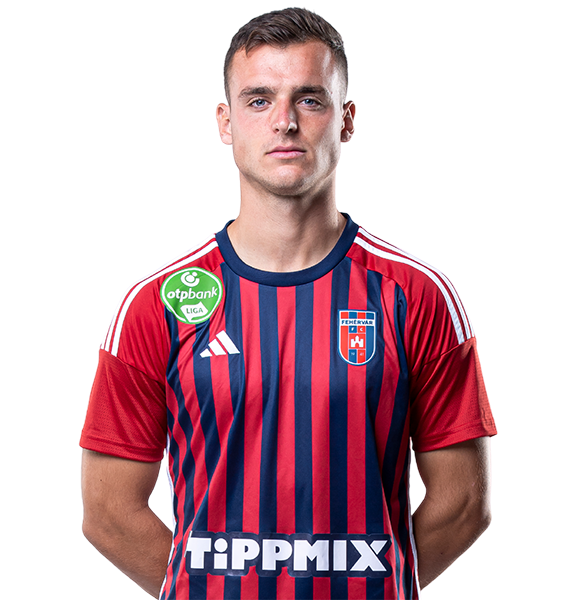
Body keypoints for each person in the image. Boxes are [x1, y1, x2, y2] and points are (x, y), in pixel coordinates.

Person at [80, 7, 497, 600]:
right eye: (258, 100)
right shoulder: (157, 304)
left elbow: (462, 503)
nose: (284, 121)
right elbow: (108, 510)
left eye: (309, 99)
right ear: (225, 122)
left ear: (346, 121)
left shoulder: (417, 295)